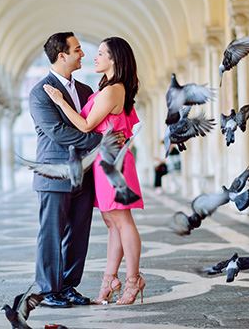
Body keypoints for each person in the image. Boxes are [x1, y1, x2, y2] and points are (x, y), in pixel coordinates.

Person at [43, 36, 145, 305]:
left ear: (114, 59)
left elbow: (87, 125)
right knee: (112, 223)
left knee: (123, 222)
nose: (94, 57)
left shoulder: (112, 90)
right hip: (104, 161)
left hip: (114, 162)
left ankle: (133, 280)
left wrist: (60, 101)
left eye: (101, 53)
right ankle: (110, 279)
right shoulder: (105, 88)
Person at [29, 32, 105, 308]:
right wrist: (100, 141)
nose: (83, 54)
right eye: (77, 50)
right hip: (53, 175)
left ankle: (69, 286)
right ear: (62, 55)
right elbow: (57, 132)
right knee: (51, 234)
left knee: (78, 234)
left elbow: (95, 122)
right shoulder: (40, 92)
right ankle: (49, 290)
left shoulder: (85, 91)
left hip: (84, 174)